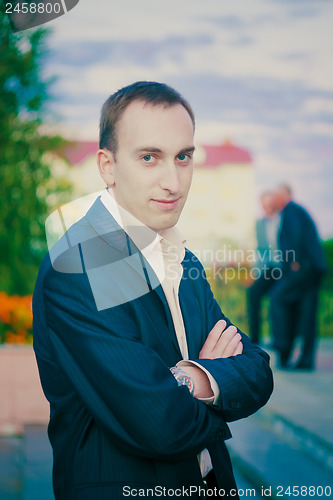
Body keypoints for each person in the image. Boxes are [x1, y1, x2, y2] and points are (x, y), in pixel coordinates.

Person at [33, 81, 273, 500]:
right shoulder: (78, 266)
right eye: (149, 157)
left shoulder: (179, 256)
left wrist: (187, 377)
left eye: (183, 157)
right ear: (107, 166)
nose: (173, 182)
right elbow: (159, 422)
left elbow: (257, 370)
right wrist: (212, 383)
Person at [270, 184, 326, 369]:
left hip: (302, 268)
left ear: (284, 196)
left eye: (276, 196)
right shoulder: (296, 210)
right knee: (307, 314)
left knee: (278, 299)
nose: (273, 201)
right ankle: (306, 360)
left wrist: (295, 261)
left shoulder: (290, 211)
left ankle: (282, 344)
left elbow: (295, 236)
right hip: (312, 269)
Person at [247, 191, 280, 345]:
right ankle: (255, 338)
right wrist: (255, 273)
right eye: (263, 205)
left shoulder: (282, 220)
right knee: (253, 292)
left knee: (277, 298)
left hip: (283, 268)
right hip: (269, 268)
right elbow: (261, 251)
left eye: (269, 204)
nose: (267, 207)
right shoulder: (260, 224)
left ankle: (277, 338)